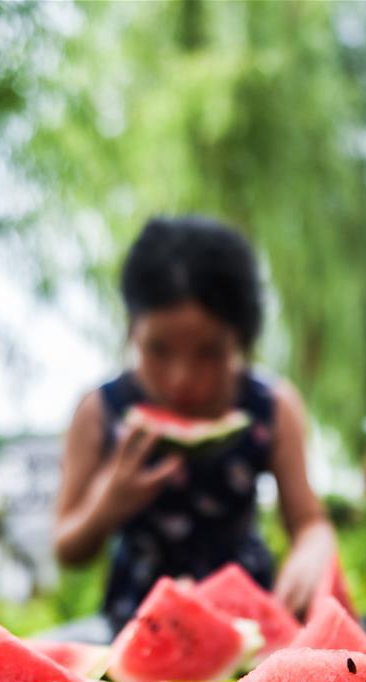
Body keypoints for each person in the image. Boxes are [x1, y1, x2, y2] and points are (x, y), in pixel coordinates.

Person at [55, 215, 335, 631]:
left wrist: (314, 551)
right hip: (136, 620)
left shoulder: (271, 407)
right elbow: (67, 548)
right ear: (132, 330)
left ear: (241, 342)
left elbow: (308, 520)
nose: (181, 378)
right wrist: (106, 505)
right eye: (158, 349)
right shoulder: (100, 412)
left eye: (209, 353)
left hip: (248, 620)